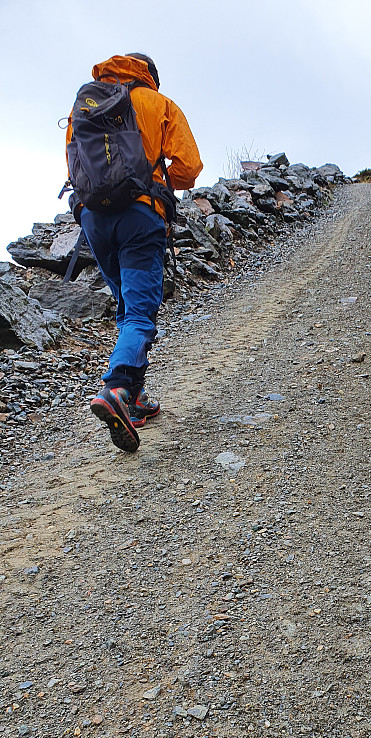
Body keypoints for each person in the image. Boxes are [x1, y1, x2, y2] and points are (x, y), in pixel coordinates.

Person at [65, 53, 202, 452]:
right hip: (140, 215)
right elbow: (189, 168)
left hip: (93, 218)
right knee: (141, 312)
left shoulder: (84, 104)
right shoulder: (157, 103)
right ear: (151, 76)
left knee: (127, 306)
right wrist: (157, 180)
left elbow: (74, 165)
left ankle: (136, 399)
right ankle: (117, 388)